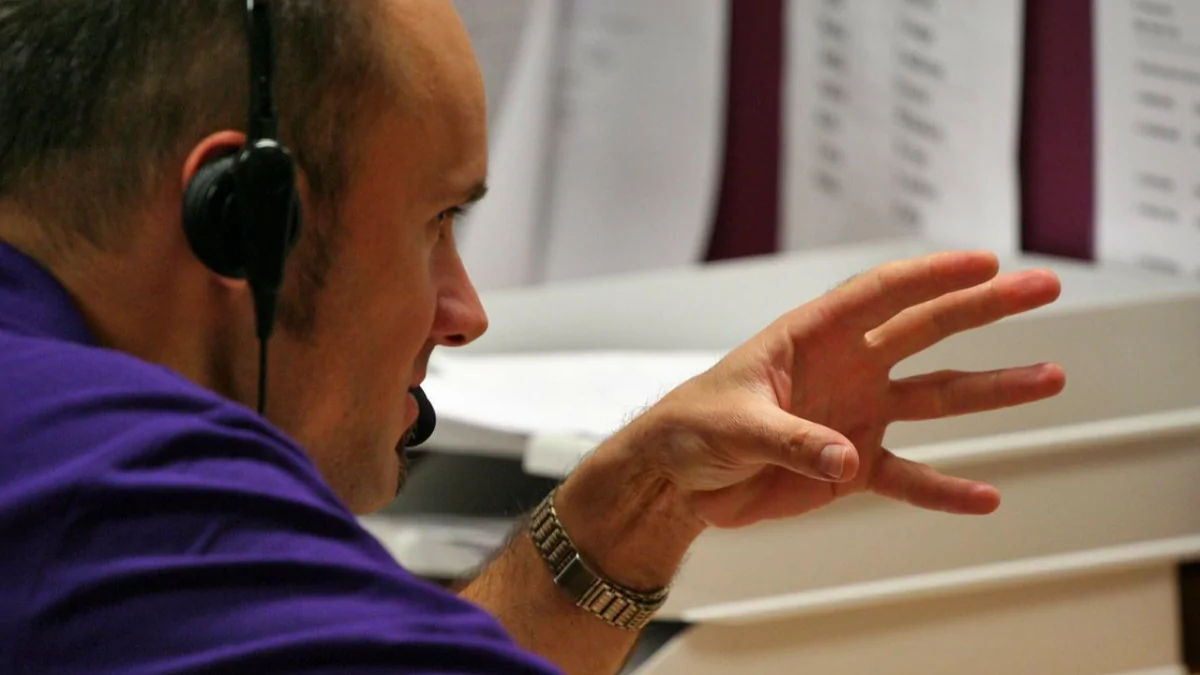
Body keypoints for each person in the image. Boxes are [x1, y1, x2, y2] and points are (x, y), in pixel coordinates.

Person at [0, 1, 1065, 673]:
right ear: (241, 216)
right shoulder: (110, 476)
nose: (465, 311)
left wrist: (637, 504)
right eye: (435, 224)